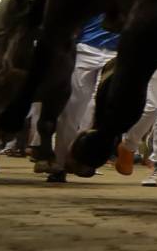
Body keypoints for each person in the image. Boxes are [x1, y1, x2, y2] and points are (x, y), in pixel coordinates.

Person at [48, 15, 119, 183]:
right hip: (86, 48)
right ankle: (58, 164)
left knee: (97, 109)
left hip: (116, 53)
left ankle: (82, 157)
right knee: (72, 107)